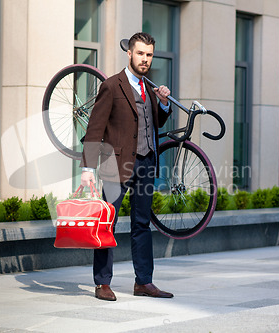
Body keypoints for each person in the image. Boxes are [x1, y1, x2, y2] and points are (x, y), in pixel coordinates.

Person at [80, 32, 174, 301]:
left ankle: (144, 281)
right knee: (106, 223)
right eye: (141, 53)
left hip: (146, 163)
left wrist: (164, 103)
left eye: (149, 55)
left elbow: (153, 123)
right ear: (130, 54)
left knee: (142, 225)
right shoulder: (112, 85)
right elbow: (94, 129)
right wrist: (87, 169)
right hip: (114, 164)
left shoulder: (149, 89)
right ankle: (102, 283)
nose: (145, 59)